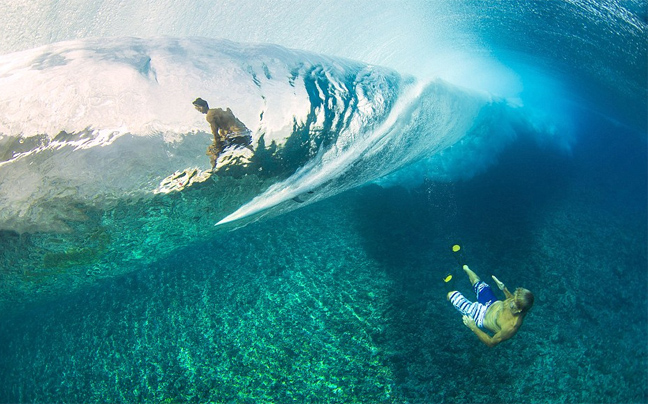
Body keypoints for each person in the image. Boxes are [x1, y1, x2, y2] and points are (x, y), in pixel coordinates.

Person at [447, 264, 534, 347]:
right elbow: (511, 299)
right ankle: (464, 266)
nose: (510, 301)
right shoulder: (518, 303)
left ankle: (448, 289)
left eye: (513, 303)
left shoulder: (510, 327)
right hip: (492, 302)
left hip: (480, 316)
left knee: (452, 295)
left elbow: (491, 343)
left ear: (519, 310)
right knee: (476, 281)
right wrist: (504, 289)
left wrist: (473, 327)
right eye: (513, 298)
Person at [192, 98, 251, 169]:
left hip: (236, 136)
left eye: (198, 106)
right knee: (246, 145)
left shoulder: (209, 116)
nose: (197, 109)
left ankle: (213, 170)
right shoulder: (219, 111)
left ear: (204, 105)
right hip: (245, 134)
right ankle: (254, 153)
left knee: (211, 150)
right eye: (196, 107)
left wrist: (216, 146)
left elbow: (215, 135)